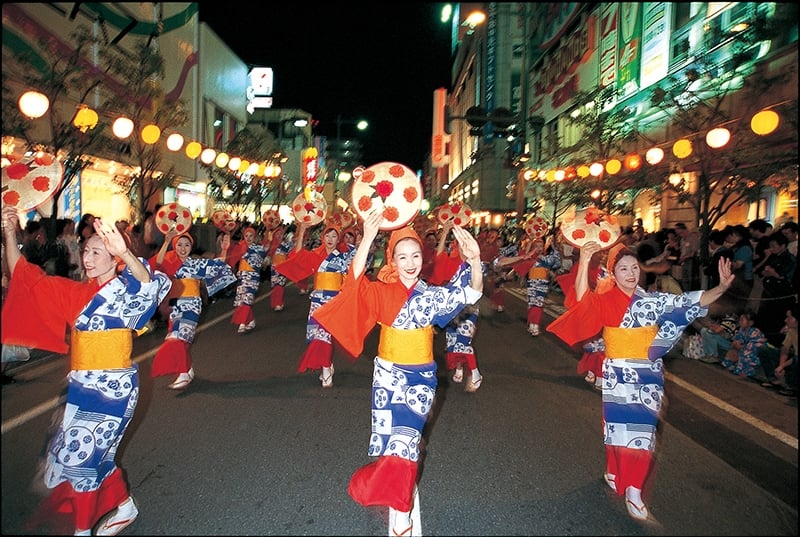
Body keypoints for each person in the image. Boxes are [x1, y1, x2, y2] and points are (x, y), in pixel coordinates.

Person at [0, 204, 171, 536]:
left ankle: (81, 531)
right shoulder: (75, 293)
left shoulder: (125, 288)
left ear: (114, 256)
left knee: (80, 461)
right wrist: (9, 233)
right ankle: (124, 505)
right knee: (90, 457)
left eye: (97, 250)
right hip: (80, 388)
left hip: (113, 389)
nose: (88, 257)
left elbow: (149, 285)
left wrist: (128, 254)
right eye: (85, 250)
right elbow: (24, 275)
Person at [312, 210, 483, 537]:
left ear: (423, 258)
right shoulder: (380, 292)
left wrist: (473, 261)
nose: (409, 262)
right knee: (394, 446)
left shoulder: (432, 295)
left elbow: (471, 293)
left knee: (405, 444)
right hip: (387, 377)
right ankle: (384, 487)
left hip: (420, 379)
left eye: (415, 255)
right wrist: (366, 236)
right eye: (401, 256)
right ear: (392, 258)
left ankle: (401, 511)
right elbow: (354, 280)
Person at [547, 241, 734, 522]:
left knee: (642, 434)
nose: (631, 273)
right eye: (623, 269)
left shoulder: (652, 300)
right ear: (613, 274)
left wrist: (720, 288)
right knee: (616, 428)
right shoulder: (607, 299)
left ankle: (634, 489)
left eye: (635, 267)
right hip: (617, 373)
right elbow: (584, 302)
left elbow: (688, 302)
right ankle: (613, 469)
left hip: (648, 374)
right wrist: (584, 260)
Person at [149, 229, 237, 389]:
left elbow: (218, 266)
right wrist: (166, 241)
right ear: (175, 246)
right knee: (182, 339)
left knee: (177, 338)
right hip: (174, 305)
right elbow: (156, 264)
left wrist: (224, 249)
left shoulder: (195, 263)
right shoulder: (169, 260)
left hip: (191, 305)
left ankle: (182, 373)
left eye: (187, 244)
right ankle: (188, 370)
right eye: (179, 244)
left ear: (192, 246)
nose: (183, 248)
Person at [273, 221, 356, 388]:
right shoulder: (316, 255)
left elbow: (354, 273)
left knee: (325, 335)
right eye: (327, 235)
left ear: (338, 238)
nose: (330, 239)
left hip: (334, 301)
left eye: (334, 236)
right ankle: (327, 364)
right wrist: (302, 230)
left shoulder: (344, 256)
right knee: (316, 336)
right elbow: (297, 255)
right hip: (317, 300)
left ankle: (326, 368)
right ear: (322, 237)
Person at [431, 221, 484, 392]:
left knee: (463, 343)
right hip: (452, 311)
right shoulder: (454, 264)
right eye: (459, 246)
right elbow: (439, 258)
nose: (462, 249)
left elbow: (478, 287)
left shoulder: (475, 265)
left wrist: (475, 260)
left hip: (468, 310)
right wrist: (445, 231)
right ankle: (460, 368)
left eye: (465, 245)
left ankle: (476, 374)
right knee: (452, 344)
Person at [496, 235, 561, 336]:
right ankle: (532, 324)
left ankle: (535, 325)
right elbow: (523, 256)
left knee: (538, 304)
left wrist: (553, 246)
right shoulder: (530, 257)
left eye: (541, 246)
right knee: (532, 303)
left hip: (542, 284)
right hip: (531, 283)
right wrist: (530, 243)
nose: (538, 248)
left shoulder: (546, 258)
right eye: (536, 246)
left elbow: (556, 262)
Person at [227, 226, 268, 333]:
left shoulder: (259, 249)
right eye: (246, 236)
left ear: (254, 237)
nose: (248, 238)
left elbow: (261, 259)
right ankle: (250, 321)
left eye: (251, 236)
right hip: (242, 277)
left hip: (253, 278)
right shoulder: (240, 247)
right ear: (243, 237)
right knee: (241, 300)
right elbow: (232, 257)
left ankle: (242, 323)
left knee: (247, 299)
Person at [719, 309, 768, 379]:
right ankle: (732, 365)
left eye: (742, 320)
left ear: (750, 323)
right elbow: (738, 340)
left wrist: (742, 347)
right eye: (740, 320)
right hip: (743, 349)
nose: (740, 322)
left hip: (755, 353)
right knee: (733, 350)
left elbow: (756, 345)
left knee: (746, 353)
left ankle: (746, 371)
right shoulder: (741, 330)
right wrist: (736, 343)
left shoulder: (755, 332)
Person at [759, 305, 797, 393]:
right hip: (792, 357)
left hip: (795, 358)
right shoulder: (792, 331)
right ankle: (774, 379)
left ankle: (792, 387)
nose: (785, 320)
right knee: (763, 348)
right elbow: (785, 349)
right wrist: (780, 366)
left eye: (788, 318)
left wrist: (782, 366)